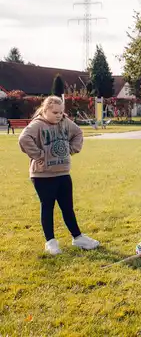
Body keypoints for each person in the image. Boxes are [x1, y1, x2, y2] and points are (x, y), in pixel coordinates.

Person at [18, 96, 100, 255]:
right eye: (55, 112)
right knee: (47, 207)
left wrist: (72, 148)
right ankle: (50, 242)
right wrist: (39, 155)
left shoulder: (65, 122)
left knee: (67, 207)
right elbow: (24, 139)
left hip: (63, 173)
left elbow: (78, 133)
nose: (58, 115)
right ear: (45, 110)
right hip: (42, 175)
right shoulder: (37, 125)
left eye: (61, 112)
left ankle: (78, 237)